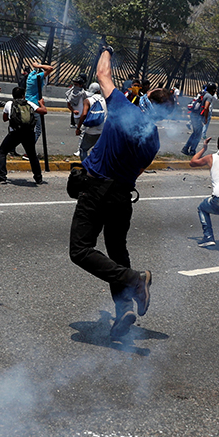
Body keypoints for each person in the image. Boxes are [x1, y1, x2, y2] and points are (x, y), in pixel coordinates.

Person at [69, 44, 176, 341]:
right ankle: (124, 309)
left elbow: (103, 73)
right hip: (122, 195)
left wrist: (106, 49)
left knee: (80, 250)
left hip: (97, 188)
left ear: (145, 98)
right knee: (116, 253)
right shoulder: (153, 140)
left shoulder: (123, 107)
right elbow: (136, 172)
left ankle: (135, 279)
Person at [0, 86, 47, 185]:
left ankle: (2, 177)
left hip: (15, 133)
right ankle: (38, 178)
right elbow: (44, 111)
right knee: (32, 155)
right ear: (23, 96)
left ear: (13, 95)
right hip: (29, 133)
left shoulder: (9, 104)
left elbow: (5, 119)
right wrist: (41, 104)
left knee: (2, 152)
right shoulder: (29, 103)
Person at [182, 83, 216, 155]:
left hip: (193, 115)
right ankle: (192, 150)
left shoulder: (203, 93)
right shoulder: (209, 96)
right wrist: (206, 118)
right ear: (213, 90)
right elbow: (206, 108)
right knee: (198, 134)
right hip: (197, 116)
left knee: (195, 133)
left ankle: (186, 148)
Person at [25, 61, 54, 147]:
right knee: (37, 129)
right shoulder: (38, 77)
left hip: (27, 103)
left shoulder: (31, 76)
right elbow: (50, 68)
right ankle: (29, 151)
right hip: (34, 104)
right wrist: (38, 65)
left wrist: (35, 67)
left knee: (26, 128)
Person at [76, 82, 106, 161]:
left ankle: (86, 168)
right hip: (103, 131)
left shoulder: (88, 100)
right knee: (99, 151)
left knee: (83, 149)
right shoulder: (105, 100)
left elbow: (84, 114)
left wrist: (78, 128)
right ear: (99, 91)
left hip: (91, 131)